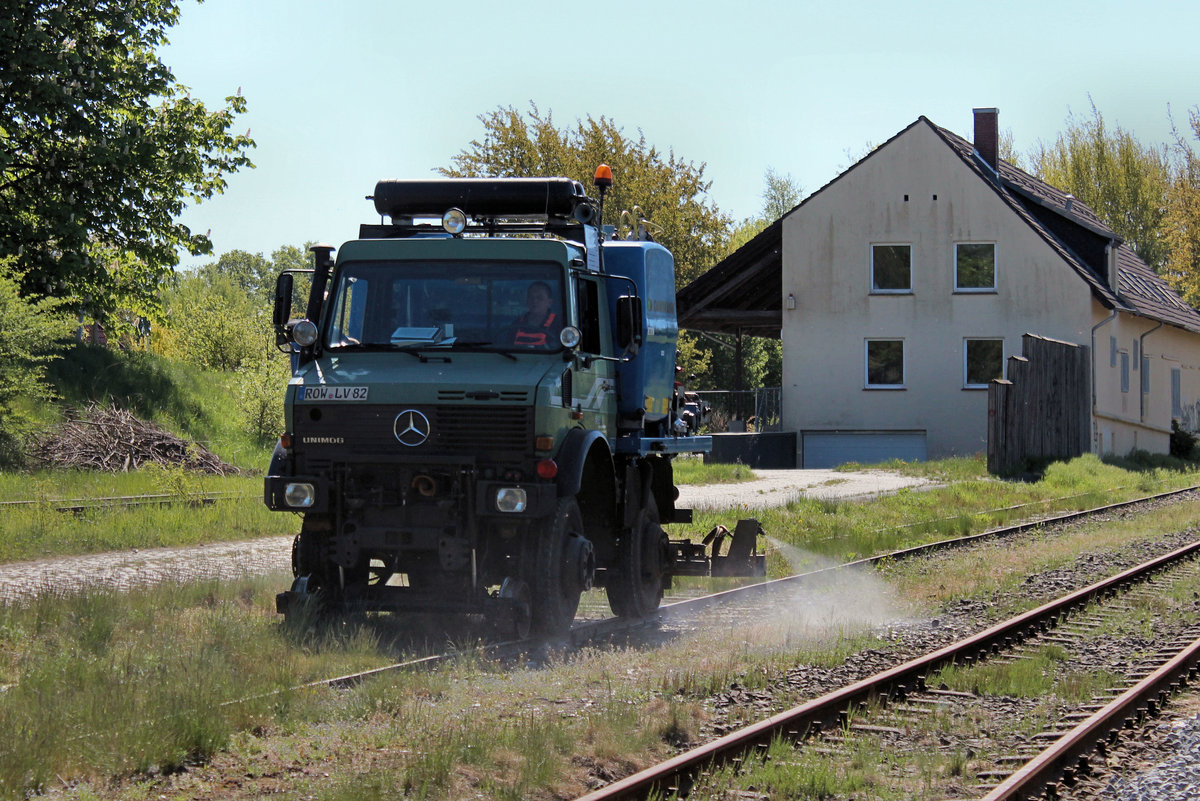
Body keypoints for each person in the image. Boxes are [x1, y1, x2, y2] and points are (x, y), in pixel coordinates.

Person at [509, 281, 561, 347]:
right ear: (527, 300)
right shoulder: (516, 324)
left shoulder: (558, 324)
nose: (534, 301)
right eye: (531, 297)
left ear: (549, 302)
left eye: (540, 298)